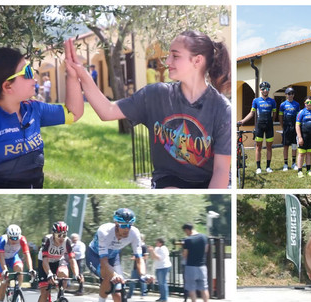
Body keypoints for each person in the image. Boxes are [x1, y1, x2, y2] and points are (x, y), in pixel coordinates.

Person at [68, 31, 231, 189]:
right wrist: (81, 74)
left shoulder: (222, 109)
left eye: (175, 56)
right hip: (168, 180)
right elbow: (107, 111)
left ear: (197, 61)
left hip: (208, 183)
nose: (167, 61)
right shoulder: (155, 95)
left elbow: (221, 170)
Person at [0, 42, 84, 188]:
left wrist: (72, 76)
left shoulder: (34, 109)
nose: (34, 77)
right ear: (7, 86)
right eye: (27, 72)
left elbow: (74, 113)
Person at [86, 208, 153, 302]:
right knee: (108, 276)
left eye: (129, 225)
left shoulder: (134, 233)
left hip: (113, 257)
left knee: (119, 295)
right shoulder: (104, 231)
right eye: (123, 225)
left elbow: (139, 259)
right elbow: (104, 262)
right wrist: (114, 274)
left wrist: (143, 275)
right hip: (95, 256)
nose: (127, 228)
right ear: (116, 224)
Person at [36, 222, 83, 302]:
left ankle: (61, 298)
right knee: (44, 292)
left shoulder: (67, 242)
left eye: (64, 235)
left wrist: (77, 274)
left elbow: (72, 260)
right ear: (54, 234)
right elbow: (45, 261)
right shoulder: (47, 240)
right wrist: (49, 274)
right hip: (45, 263)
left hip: (58, 261)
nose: (62, 238)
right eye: (59, 235)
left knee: (64, 274)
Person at [0, 224, 36, 302]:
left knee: (20, 267)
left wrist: (30, 269)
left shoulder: (22, 239)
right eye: (12, 238)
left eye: (16, 238)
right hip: (3, 260)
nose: (14, 241)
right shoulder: (3, 240)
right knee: (4, 282)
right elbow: (1, 257)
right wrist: (5, 270)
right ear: (8, 236)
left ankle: (17, 291)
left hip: (13, 257)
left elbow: (27, 255)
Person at [238, 81, 277, 174]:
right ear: (260, 90)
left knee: (269, 147)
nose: (265, 90)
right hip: (259, 126)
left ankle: (268, 166)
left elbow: (274, 114)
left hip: (269, 126)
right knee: (258, 147)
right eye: (263, 89)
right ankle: (258, 167)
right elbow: (252, 113)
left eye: (267, 89)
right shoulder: (256, 101)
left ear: (268, 90)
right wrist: (243, 121)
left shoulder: (272, 101)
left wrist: (271, 122)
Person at [182, 223, 209, 302]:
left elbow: (185, 254)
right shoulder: (204, 237)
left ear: (187, 230)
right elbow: (206, 250)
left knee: (191, 288)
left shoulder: (188, 240)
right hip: (202, 266)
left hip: (191, 266)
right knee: (204, 288)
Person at [296, 96, 311, 178]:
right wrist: (300, 137)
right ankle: (299, 171)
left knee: (309, 153)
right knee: (301, 153)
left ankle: (308, 170)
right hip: (303, 136)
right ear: (305, 104)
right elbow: (297, 125)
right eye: (308, 102)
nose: (309, 104)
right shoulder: (301, 112)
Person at [278, 87, 300, 171]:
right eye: (288, 94)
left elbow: (298, 116)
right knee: (286, 146)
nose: (290, 95)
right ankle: (285, 164)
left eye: (292, 94)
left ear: (293, 95)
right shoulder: (283, 104)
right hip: (286, 126)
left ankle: (294, 163)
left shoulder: (297, 104)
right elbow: (280, 116)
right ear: (286, 95)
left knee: (294, 145)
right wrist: (282, 126)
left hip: (294, 127)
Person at [149, 238, 172, 302]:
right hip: (158, 267)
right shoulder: (157, 248)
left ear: (161, 243)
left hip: (164, 267)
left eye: (157, 242)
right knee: (160, 282)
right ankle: (161, 296)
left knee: (162, 282)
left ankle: (164, 297)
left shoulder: (163, 249)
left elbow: (159, 258)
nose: (156, 243)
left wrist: (153, 251)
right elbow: (153, 257)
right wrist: (152, 251)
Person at [127, 234, 149, 299]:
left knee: (143, 281)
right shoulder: (137, 247)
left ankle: (143, 294)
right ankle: (130, 294)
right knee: (132, 281)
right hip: (135, 266)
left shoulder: (144, 247)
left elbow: (146, 256)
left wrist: (138, 258)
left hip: (141, 266)